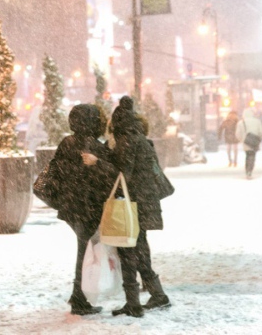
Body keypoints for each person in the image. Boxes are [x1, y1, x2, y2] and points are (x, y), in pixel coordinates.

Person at [48, 104, 118, 315]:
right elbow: (110, 176)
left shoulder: (66, 143)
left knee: (83, 248)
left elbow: (56, 171)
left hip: (72, 206)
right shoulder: (94, 146)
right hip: (89, 207)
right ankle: (79, 298)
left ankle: (78, 294)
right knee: (86, 251)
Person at [107, 96, 171, 318]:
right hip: (144, 202)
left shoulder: (126, 141)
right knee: (140, 248)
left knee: (127, 250)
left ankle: (133, 303)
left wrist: (100, 162)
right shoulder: (140, 138)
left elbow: (122, 173)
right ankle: (157, 294)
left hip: (132, 204)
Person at [235, 108, 262, 179]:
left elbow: (237, 134)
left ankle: (247, 169)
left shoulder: (241, 122)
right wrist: (259, 139)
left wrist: (242, 140)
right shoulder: (257, 121)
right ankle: (250, 169)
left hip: (246, 142)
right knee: (253, 155)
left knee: (248, 155)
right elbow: (261, 132)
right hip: (255, 141)